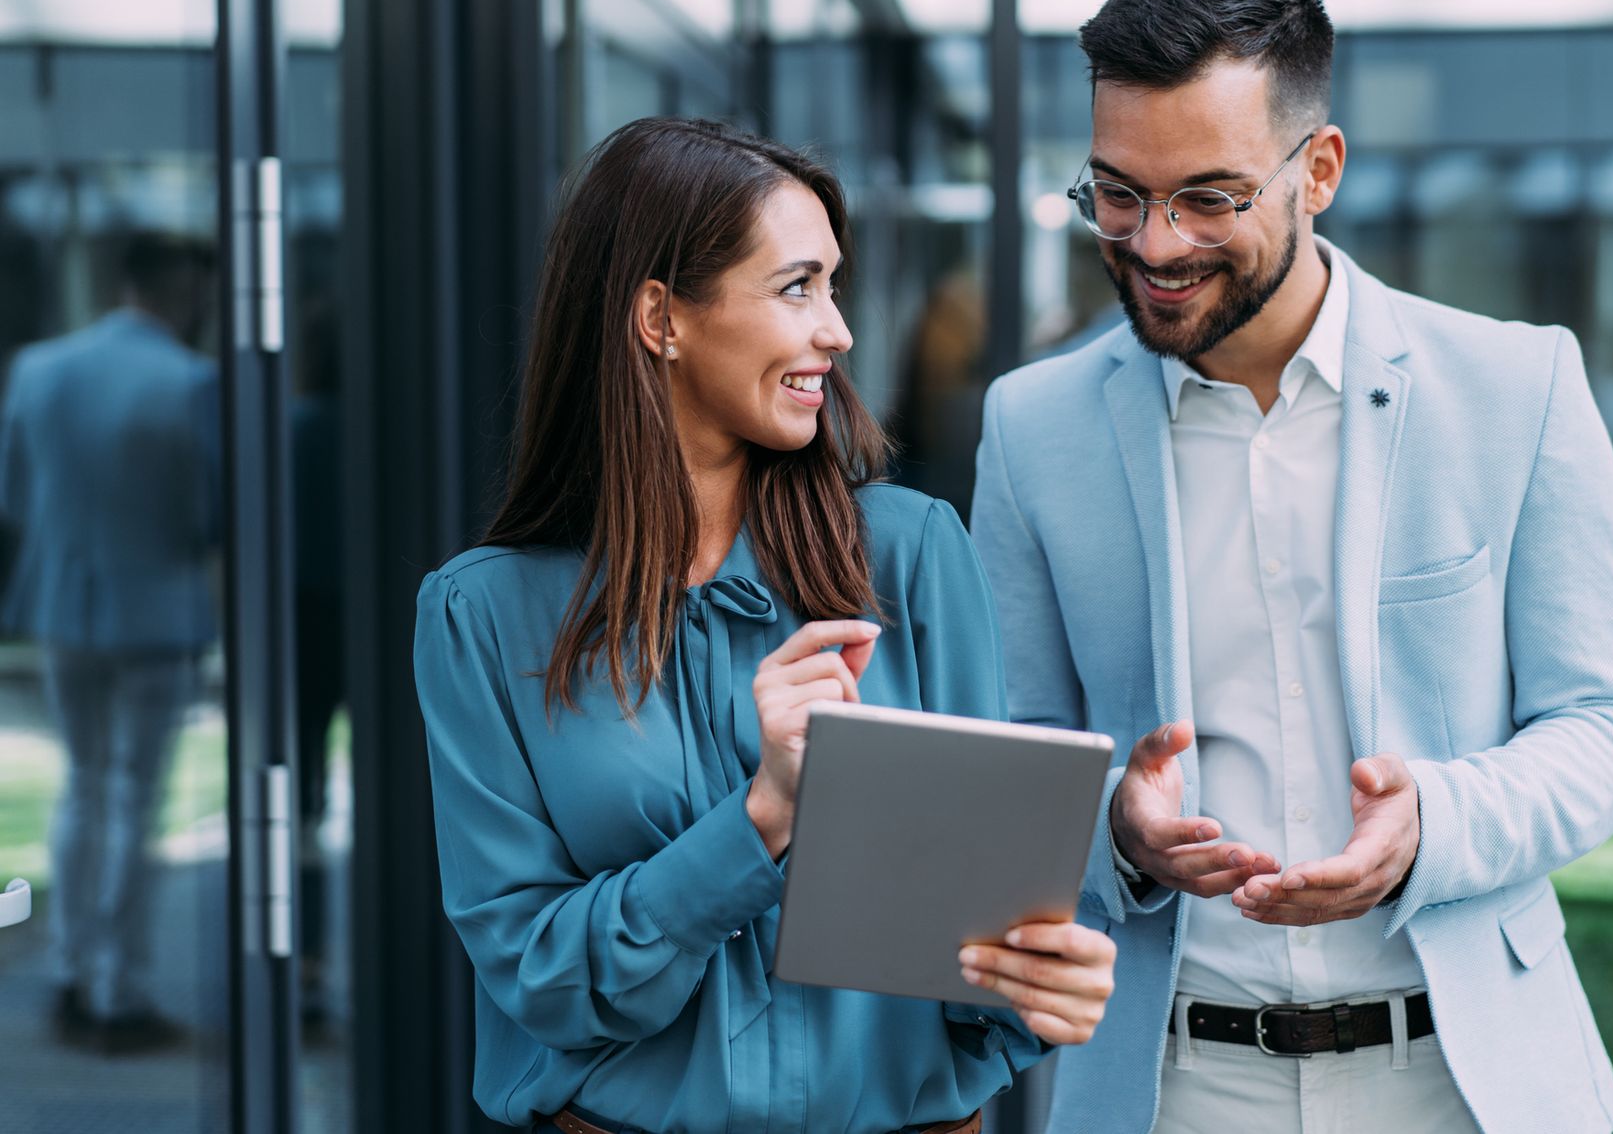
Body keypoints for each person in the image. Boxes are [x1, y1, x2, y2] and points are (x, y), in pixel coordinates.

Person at [969, 0, 1613, 1134]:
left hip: (1464, 1079)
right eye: (1118, 193)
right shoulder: (1031, 427)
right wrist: (1116, 829)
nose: (1153, 245)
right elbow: (1008, 751)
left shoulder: (1517, 385)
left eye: (1208, 197)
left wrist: (1433, 823)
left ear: (1320, 168)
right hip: (1166, 1082)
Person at [413, 117, 1116, 1134]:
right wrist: (764, 814)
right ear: (662, 315)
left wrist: (1042, 977)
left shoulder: (912, 555)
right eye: (797, 287)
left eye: (834, 285)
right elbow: (542, 981)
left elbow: (976, 964)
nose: (837, 329)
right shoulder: (483, 615)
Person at [0, 231, 220, 1052]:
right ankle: (117, 989)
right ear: (179, 288)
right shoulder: (192, 380)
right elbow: (209, 512)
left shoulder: (38, 369)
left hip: (64, 604)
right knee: (133, 799)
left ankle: (68, 969)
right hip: (156, 613)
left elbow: (13, 494)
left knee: (83, 788)